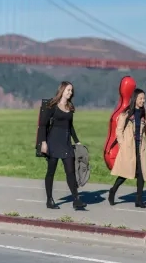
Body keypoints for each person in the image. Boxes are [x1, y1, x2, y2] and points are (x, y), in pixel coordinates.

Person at [108, 88, 146, 208]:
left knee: (141, 175)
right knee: (125, 173)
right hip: (128, 148)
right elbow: (118, 131)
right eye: (141, 98)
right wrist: (122, 144)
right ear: (135, 98)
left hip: (140, 148)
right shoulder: (125, 115)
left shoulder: (144, 116)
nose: (143, 101)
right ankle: (113, 191)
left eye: (144, 98)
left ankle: (139, 200)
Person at [39, 81, 87, 210]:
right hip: (53, 142)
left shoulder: (70, 108)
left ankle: (76, 200)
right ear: (62, 91)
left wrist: (77, 141)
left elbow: (70, 126)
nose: (70, 92)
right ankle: (49, 200)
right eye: (68, 90)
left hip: (66, 144)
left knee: (70, 172)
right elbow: (43, 125)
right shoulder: (52, 106)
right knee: (51, 172)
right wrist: (43, 143)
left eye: (71, 90)